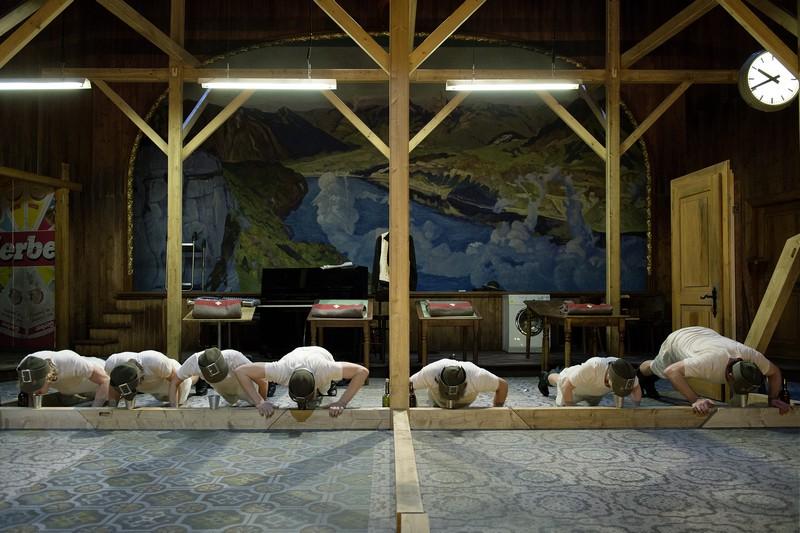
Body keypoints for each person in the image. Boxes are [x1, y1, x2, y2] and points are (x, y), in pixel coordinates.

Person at [637, 326, 791, 415]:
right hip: (677, 340)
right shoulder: (710, 363)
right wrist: (695, 400)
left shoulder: (753, 357)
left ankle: (649, 379)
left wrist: (773, 399)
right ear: (729, 375)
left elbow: (775, 372)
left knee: (671, 370)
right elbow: (672, 371)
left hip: (705, 334)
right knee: (657, 368)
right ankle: (640, 374)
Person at [234, 345, 368, 417]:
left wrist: (342, 403)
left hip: (320, 353)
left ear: (315, 384)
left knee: (325, 391)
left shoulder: (325, 370)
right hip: (296, 354)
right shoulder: (281, 370)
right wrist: (259, 402)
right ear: (288, 385)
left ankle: (328, 387)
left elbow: (362, 372)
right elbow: (240, 371)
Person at [170, 347, 268, 408]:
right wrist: (174, 409)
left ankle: (250, 363)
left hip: (246, 384)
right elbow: (174, 382)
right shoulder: (193, 362)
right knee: (231, 401)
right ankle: (202, 380)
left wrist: (261, 403)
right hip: (225, 390)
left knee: (257, 396)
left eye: (220, 377)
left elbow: (263, 382)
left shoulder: (234, 357)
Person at [16, 349, 110, 407]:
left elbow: (105, 380)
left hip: (100, 380)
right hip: (69, 387)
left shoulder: (69, 361)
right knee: (66, 396)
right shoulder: (26, 365)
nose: (34, 392)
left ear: (48, 376)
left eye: (37, 387)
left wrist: (95, 409)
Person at [537, 357, 641, 407]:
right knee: (561, 380)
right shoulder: (593, 366)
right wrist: (571, 408)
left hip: (594, 391)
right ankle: (546, 377)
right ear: (610, 377)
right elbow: (567, 385)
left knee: (593, 405)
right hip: (573, 388)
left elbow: (636, 388)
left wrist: (636, 408)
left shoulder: (627, 372)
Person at [105, 350, 196, 406]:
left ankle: (197, 375)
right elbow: (113, 386)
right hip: (152, 388)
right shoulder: (112, 363)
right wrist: (112, 408)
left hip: (172, 381)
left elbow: (175, 381)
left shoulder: (156, 361)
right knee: (162, 399)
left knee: (188, 381)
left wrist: (174, 409)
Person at [410, 358, 508, 408]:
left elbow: (503, 386)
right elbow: (406, 385)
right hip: (437, 402)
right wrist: (412, 409)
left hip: (464, 404)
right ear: (438, 380)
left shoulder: (477, 377)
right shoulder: (430, 373)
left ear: (465, 384)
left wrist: (497, 411)